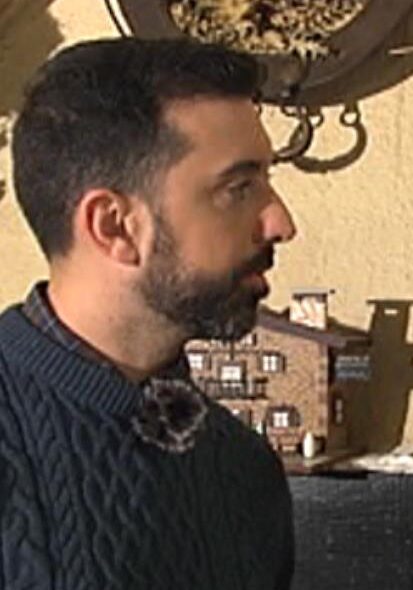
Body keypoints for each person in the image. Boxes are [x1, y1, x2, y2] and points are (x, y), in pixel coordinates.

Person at [2, 37, 297, 588]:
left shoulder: (243, 468)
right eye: (238, 188)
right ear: (114, 227)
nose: (280, 222)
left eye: (267, 182)